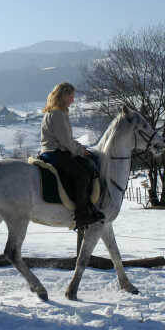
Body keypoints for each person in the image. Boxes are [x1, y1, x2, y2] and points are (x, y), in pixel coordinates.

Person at [39, 82, 104, 229]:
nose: (73, 100)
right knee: (82, 174)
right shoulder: (57, 114)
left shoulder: (54, 112)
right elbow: (66, 142)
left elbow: (66, 140)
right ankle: (81, 215)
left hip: (53, 151)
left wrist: (80, 148)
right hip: (55, 153)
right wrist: (82, 151)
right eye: (71, 96)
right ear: (63, 96)